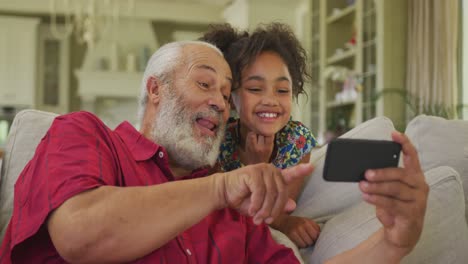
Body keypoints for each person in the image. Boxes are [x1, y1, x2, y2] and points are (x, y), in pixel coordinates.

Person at [0, 40, 428, 263]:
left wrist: (393, 242)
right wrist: (223, 188)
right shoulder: (84, 134)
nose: (221, 104)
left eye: (226, 94)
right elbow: (80, 235)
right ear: (155, 89)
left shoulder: (232, 210)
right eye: (205, 84)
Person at [201, 23, 321, 248]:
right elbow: (222, 211)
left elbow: (280, 209)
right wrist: (256, 165)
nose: (271, 100)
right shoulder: (216, 138)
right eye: (255, 89)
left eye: (282, 90)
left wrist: (284, 221)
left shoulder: (297, 140)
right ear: (230, 96)